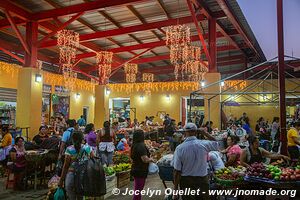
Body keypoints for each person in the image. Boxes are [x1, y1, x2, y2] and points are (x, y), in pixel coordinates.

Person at [172, 123, 219, 200]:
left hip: (187, 181)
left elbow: (177, 171)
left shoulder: (180, 148)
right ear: (196, 132)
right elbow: (216, 143)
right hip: (202, 180)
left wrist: (175, 190)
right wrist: (204, 133)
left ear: (184, 133)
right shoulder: (204, 144)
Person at [58, 131, 92, 200]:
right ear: (82, 139)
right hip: (84, 175)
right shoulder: (87, 148)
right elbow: (93, 160)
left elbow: (66, 166)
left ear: (72, 139)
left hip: (71, 174)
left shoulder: (69, 149)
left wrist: (61, 180)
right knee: (81, 195)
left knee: (71, 194)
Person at [130, 130, 155, 200]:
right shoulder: (141, 146)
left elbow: (131, 158)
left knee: (137, 189)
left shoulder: (134, 145)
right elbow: (145, 159)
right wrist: (151, 159)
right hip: (140, 170)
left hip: (135, 168)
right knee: (138, 191)